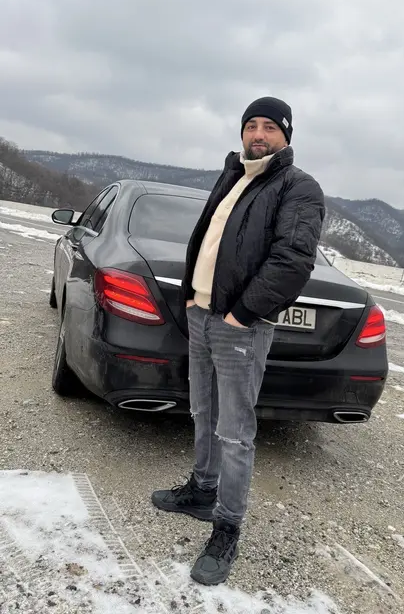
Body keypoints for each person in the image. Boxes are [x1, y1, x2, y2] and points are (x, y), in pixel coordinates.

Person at [151, 97, 325, 585]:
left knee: (235, 431)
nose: (259, 134)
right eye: (251, 125)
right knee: (202, 411)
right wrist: (192, 299)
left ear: (286, 136)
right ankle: (202, 491)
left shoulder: (298, 187)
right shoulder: (233, 176)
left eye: (270, 127)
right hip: (202, 314)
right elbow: (209, 241)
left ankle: (227, 527)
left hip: (240, 326)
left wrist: (241, 315)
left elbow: (293, 260)